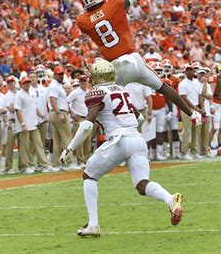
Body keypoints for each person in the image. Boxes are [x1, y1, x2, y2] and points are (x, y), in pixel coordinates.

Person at [60, 59, 183, 237]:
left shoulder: (95, 92)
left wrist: (70, 148)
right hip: (136, 138)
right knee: (142, 184)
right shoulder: (121, 90)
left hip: (118, 139)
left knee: (89, 175)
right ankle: (170, 199)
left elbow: (87, 124)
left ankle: (93, 225)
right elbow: (139, 118)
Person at [76, 0, 201, 126]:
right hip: (134, 59)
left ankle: (131, 119)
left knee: (107, 97)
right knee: (163, 87)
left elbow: (96, 17)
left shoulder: (82, 21)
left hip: (116, 67)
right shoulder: (114, 3)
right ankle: (192, 114)